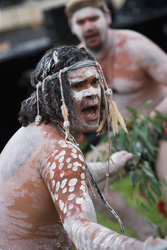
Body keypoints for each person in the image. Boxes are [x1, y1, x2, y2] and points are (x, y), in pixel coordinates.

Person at [2, 45, 165, 249]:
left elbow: (62, 177)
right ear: (53, 94)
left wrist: (111, 165)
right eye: (78, 85)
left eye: (95, 82)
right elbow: (80, 229)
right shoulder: (59, 149)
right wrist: (143, 247)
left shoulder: (33, 132)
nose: (91, 92)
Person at [65, 0, 167, 240]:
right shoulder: (77, 64)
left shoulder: (135, 46)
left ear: (107, 18)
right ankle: (150, 236)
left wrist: (152, 117)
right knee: (86, 181)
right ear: (72, 27)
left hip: (161, 127)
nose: (88, 26)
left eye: (93, 19)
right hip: (126, 137)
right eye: (81, 22)